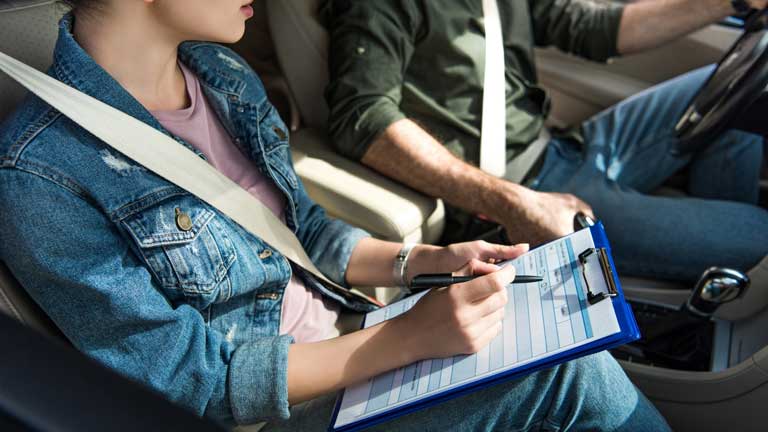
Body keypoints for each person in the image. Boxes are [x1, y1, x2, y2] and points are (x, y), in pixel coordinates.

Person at [0, 0, 669, 430]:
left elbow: (307, 234)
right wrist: (407, 340)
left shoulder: (223, 77)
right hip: (277, 415)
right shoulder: (40, 173)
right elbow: (193, 384)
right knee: (566, 373)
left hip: (353, 333)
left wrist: (431, 263)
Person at [323, 0, 768, 284]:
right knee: (762, 240)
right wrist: (513, 203)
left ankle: (714, 269)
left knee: (747, 81)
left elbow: (591, 28)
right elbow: (362, 117)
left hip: (569, 146)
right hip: (523, 188)